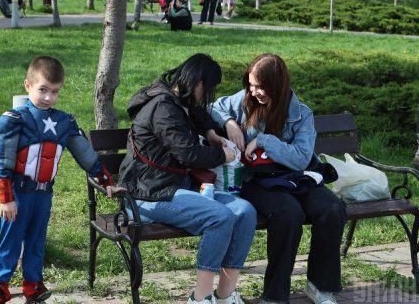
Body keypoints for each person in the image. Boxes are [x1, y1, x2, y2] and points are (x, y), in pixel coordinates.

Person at [118, 54, 256, 304]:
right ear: (199, 83)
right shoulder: (163, 106)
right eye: (209, 89)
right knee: (220, 217)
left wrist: (213, 132)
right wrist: (222, 155)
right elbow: (188, 154)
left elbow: (200, 115)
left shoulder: (179, 100)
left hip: (175, 187)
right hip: (146, 193)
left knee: (245, 212)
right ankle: (200, 298)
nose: (207, 95)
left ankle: (225, 296)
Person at [210, 54, 346, 304]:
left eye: (260, 86)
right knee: (288, 214)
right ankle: (275, 296)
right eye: (251, 85)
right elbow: (213, 107)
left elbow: (302, 159)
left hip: (295, 176)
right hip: (256, 179)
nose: (254, 91)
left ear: (278, 85)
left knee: (332, 208)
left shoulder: (301, 114)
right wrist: (229, 122)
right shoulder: (245, 100)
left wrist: (264, 141)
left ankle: (320, 286)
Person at [0, 56, 116, 304]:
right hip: (19, 192)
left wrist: (106, 181)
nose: (48, 97)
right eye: (43, 90)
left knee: (36, 240)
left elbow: (85, 154)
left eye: (54, 92)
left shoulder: (63, 122)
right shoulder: (14, 119)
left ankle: (33, 284)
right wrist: (6, 199)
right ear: (28, 86)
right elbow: (3, 161)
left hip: (44, 194)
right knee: (10, 239)